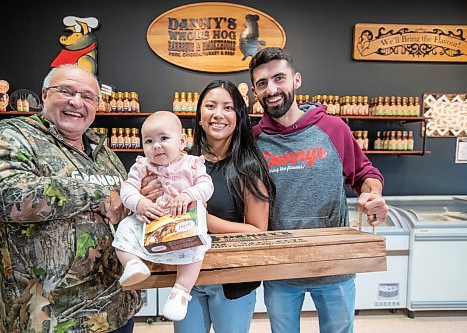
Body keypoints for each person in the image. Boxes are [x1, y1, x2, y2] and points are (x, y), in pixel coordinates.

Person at [0, 64, 141, 332]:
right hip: (50, 320)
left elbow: (121, 209)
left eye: (87, 96)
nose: (76, 102)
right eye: (66, 91)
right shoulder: (13, 135)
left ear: (96, 105)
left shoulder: (103, 151)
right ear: (45, 94)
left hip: (116, 311)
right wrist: (98, 195)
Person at [249, 47, 390, 333]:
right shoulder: (253, 141)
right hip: (281, 267)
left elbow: (365, 174)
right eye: (262, 83)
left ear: (296, 80)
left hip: (335, 264)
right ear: (255, 92)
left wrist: (372, 194)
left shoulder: (333, 128)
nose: (272, 89)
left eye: (279, 78)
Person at [166, 79, 274, 332]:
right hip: (186, 281)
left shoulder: (248, 168)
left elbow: (259, 232)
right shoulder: (181, 162)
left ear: (239, 117)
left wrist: (205, 221)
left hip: (233, 282)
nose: (218, 114)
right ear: (199, 116)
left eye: (227, 107)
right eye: (210, 106)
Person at [112, 111, 214, 321]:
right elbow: (127, 189)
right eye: (149, 141)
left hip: (182, 222)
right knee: (124, 229)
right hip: (151, 220)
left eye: (164, 138)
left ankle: (181, 292)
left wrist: (188, 194)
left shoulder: (192, 164)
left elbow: (206, 186)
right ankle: (132, 264)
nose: (156, 145)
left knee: (197, 247)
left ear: (182, 141)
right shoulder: (142, 165)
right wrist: (139, 202)